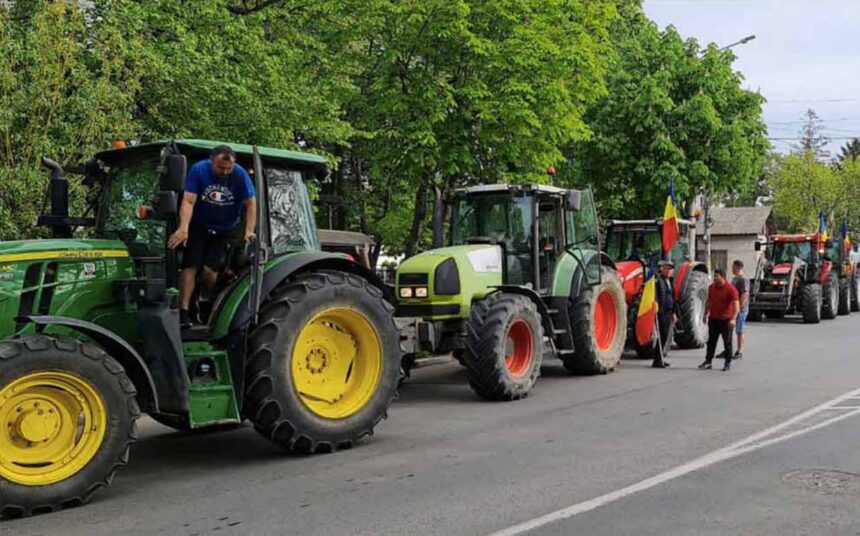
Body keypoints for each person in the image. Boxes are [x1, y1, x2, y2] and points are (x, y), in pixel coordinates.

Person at [168, 145, 257, 326]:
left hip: (225, 229)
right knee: (190, 265)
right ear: (212, 161)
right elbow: (188, 201)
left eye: (228, 169)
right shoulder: (199, 170)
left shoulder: (240, 175)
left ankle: (205, 299)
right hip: (198, 226)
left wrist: (249, 230)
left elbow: (250, 204)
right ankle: (184, 311)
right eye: (220, 168)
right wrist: (183, 228)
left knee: (210, 271)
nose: (225, 172)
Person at [699, 268, 740, 371]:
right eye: (714, 276)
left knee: (727, 342)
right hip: (713, 319)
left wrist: (733, 319)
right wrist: (705, 314)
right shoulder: (711, 287)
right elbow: (708, 301)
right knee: (711, 342)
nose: (714, 278)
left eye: (716, 276)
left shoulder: (731, 289)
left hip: (726, 320)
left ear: (722, 277)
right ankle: (708, 361)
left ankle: (727, 362)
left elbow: (736, 306)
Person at [653, 260, 675, 368]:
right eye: (667, 269)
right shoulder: (658, 281)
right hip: (661, 312)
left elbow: (673, 298)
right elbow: (655, 295)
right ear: (663, 269)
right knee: (662, 336)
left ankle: (660, 359)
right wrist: (656, 304)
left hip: (669, 312)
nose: (670, 271)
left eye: (671, 269)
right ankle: (657, 360)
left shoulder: (670, 281)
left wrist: (674, 313)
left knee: (665, 336)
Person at [731, 260, 750, 359]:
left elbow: (745, 295)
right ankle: (728, 349)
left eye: (733, 267)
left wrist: (739, 308)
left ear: (738, 267)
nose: (732, 269)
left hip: (741, 310)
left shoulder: (743, 280)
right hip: (733, 308)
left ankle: (739, 351)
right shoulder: (734, 279)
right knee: (729, 330)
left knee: (739, 330)